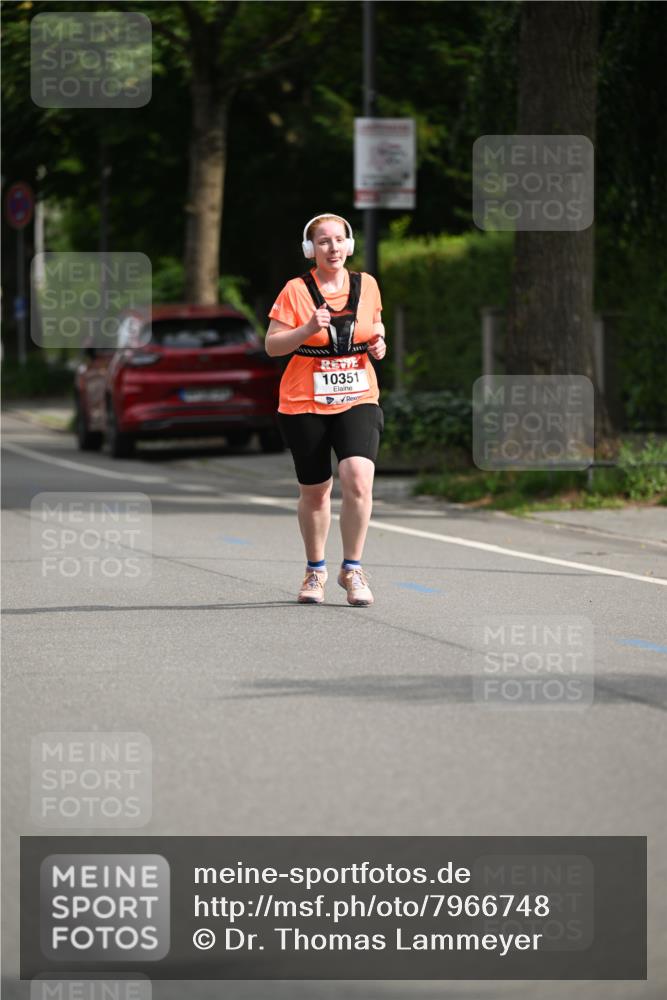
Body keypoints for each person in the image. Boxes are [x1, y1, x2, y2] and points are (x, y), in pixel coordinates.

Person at [265, 213, 387, 606]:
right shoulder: (295, 291)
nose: (332, 248)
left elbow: (376, 324)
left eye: (339, 240)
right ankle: (315, 569)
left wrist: (379, 343)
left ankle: (352, 569)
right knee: (316, 492)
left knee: (357, 477)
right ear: (310, 249)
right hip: (304, 403)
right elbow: (272, 345)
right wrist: (304, 330)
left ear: (349, 245)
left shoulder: (366, 284)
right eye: (323, 242)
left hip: (358, 396)